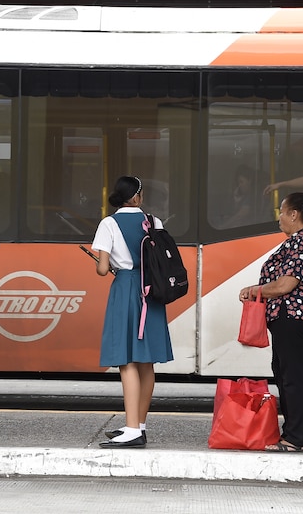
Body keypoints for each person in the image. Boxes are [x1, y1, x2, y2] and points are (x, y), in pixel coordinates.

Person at [91, 175, 174, 448]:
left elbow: (102, 269)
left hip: (126, 289)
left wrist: (111, 264)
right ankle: (139, 425)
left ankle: (130, 429)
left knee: (126, 360)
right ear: (137, 196)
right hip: (152, 291)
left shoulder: (109, 223)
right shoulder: (154, 221)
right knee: (146, 362)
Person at [238, 192, 303, 452]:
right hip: (290, 316)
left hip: (292, 315)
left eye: (282, 212)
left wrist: (255, 290)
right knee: (286, 373)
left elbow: (287, 284)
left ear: (294, 214)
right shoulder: (301, 240)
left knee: (292, 377)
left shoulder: (301, 242)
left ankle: (296, 438)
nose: (279, 218)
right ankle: (292, 434)